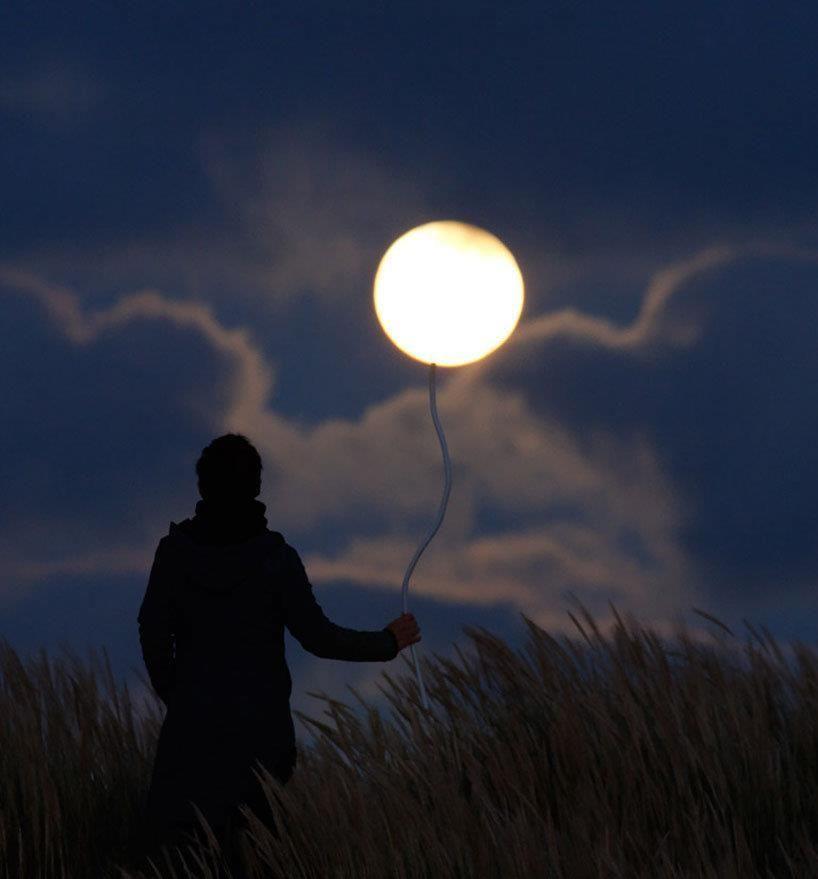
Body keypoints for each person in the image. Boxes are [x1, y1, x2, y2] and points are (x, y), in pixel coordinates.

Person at [137, 433, 421, 876]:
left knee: (181, 859)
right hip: (261, 737)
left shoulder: (175, 554)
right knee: (253, 857)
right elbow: (318, 637)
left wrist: (178, 696)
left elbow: (152, 633)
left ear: (202, 487)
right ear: (256, 487)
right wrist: (387, 642)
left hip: (191, 737)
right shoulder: (275, 559)